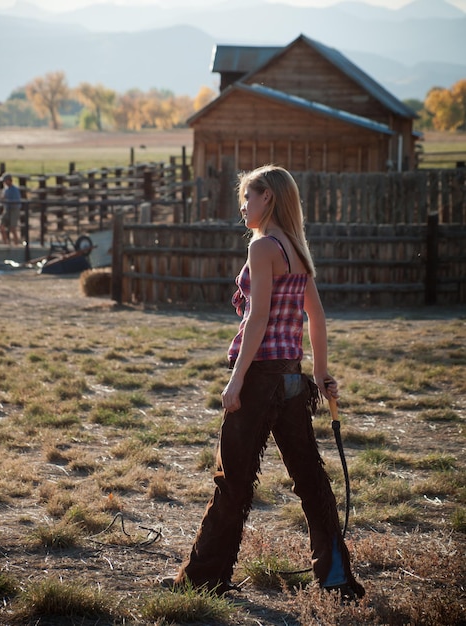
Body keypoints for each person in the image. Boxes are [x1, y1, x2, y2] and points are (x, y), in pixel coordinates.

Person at [168, 165, 365, 600]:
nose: (242, 206)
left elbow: (257, 320)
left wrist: (236, 382)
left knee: (232, 480)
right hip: (293, 379)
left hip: (260, 379)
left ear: (268, 199)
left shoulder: (262, 247)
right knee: (311, 481)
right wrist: (319, 373)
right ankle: (337, 582)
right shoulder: (296, 247)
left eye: (247, 198)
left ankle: (204, 579)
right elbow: (316, 316)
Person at [0, 174, 22, 245]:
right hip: (7, 209)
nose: (4, 182)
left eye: (5, 181)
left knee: (13, 228)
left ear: (9, 180)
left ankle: (16, 245)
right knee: (1, 226)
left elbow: (16, 202)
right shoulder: (5, 189)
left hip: (14, 210)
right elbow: (3, 198)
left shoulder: (15, 190)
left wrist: (6, 200)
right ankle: (5, 243)